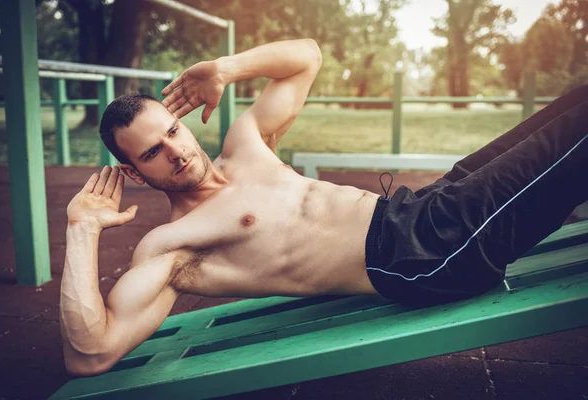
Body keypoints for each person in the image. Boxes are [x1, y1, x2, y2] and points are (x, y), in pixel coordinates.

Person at [60, 38, 588, 377]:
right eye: (152, 152)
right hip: (423, 253)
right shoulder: (173, 246)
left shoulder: (245, 143)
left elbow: (308, 56)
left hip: (420, 208)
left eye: (172, 131)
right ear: (133, 173)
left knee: (577, 102)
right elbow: (92, 351)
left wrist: (224, 68)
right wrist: (82, 230)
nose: (175, 151)